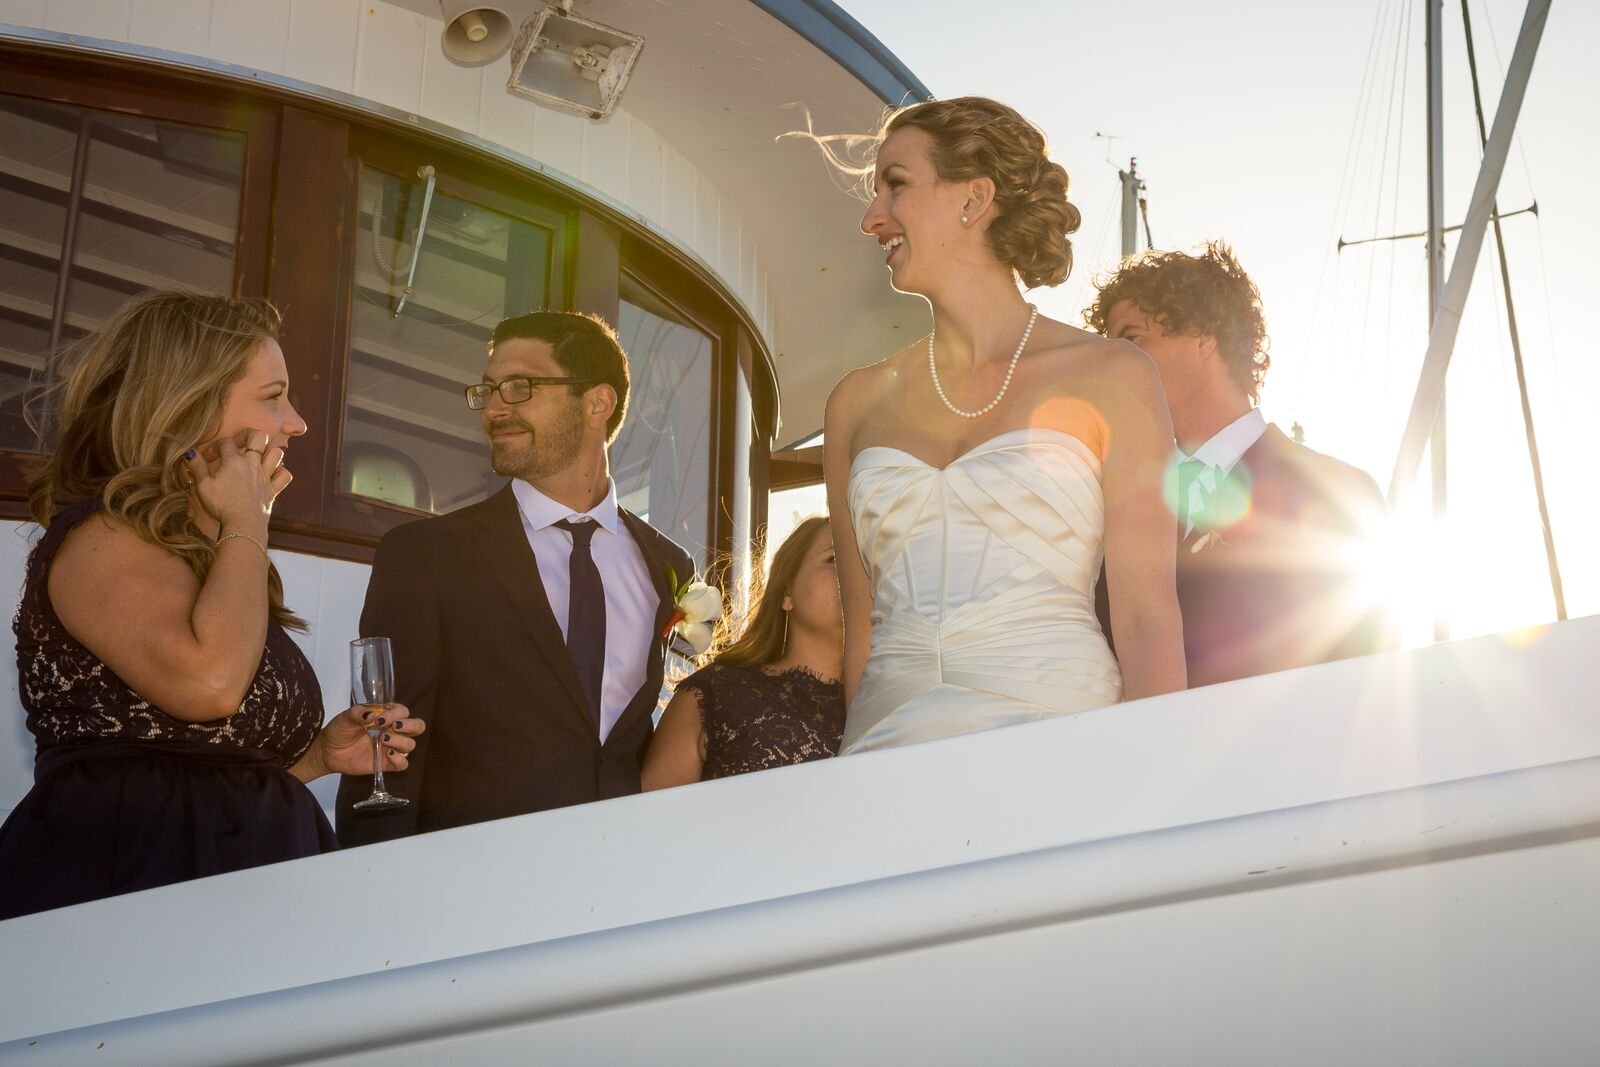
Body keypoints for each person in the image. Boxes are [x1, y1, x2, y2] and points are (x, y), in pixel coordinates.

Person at [0, 290, 423, 920]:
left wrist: (314, 760)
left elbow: (212, 767)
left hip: (237, 889)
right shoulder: (100, 537)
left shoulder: (215, 552)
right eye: (273, 396)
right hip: (131, 892)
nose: (296, 423)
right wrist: (248, 517)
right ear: (191, 406)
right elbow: (209, 683)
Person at [822, 97, 1186, 755]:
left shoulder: (1112, 374)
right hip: (884, 764)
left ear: (974, 198)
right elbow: (863, 637)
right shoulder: (854, 405)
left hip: (1061, 750)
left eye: (895, 184)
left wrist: (1157, 788)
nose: (871, 217)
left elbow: (1147, 616)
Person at [336, 311, 693, 844]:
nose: (495, 407)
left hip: (619, 877)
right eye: (488, 390)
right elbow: (385, 747)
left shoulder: (670, 567)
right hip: (471, 885)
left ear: (598, 403)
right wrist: (375, 886)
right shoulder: (425, 555)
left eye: (520, 387)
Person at [1085, 241, 1395, 687]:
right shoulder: (1112, 508)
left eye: (1132, 341)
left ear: (1204, 337)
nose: (1117, 366)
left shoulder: (1336, 490)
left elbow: (1365, 681)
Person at [642, 516, 844, 789]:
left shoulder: (899, 704)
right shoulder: (714, 695)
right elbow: (650, 824)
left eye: (867, 565)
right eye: (834, 558)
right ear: (787, 593)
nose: (855, 575)